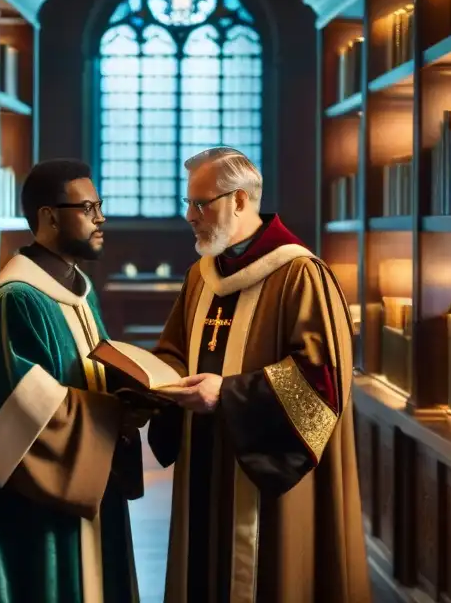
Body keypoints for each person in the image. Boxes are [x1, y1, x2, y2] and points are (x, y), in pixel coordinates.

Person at [148, 146, 371, 603]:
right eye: (187, 203)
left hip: (267, 471)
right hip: (203, 458)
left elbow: (322, 384)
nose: (189, 216)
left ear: (240, 201)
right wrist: (156, 379)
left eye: (199, 203)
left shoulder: (300, 275)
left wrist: (227, 394)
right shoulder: (201, 276)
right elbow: (173, 348)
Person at [0, 158, 146, 603]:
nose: (100, 218)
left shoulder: (75, 290)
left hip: (89, 482)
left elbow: (94, 373)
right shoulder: (17, 299)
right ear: (49, 217)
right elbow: (28, 415)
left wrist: (140, 394)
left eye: (99, 205)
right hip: (39, 511)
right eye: (88, 208)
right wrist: (114, 414)